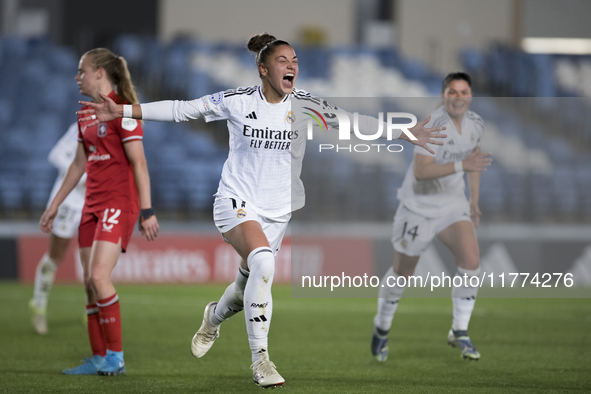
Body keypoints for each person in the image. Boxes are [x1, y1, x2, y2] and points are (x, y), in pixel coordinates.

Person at [77, 33, 445, 388]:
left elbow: (352, 123)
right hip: (235, 201)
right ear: (263, 69)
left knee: (244, 286)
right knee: (264, 264)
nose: (292, 66)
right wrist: (124, 109)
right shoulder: (237, 100)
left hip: (278, 212)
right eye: (282, 61)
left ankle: (213, 318)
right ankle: (261, 360)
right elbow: (182, 110)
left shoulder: (304, 104)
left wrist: (405, 132)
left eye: (295, 61)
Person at [40, 48, 159, 376]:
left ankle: (116, 357)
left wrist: (147, 210)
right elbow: (79, 164)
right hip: (91, 204)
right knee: (89, 285)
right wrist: (54, 205)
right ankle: (98, 357)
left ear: (100, 74)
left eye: (82, 71)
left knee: (98, 276)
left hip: (118, 203)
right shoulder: (85, 114)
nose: (77, 77)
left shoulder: (123, 109)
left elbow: (139, 161)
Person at [371, 72, 492, 362]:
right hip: (419, 207)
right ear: (443, 95)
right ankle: (382, 327)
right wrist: (462, 163)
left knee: (471, 261)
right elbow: (422, 171)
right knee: (402, 273)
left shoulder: (476, 124)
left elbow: (473, 161)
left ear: (470, 96)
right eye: (453, 92)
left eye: (464, 92)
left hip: (452, 204)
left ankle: (459, 331)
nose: (458, 97)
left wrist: (474, 201)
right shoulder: (435, 125)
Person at [30, 122, 86, 335]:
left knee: (92, 261)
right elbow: (56, 155)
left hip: (94, 202)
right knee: (56, 256)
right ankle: (39, 305)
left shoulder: (116, 130)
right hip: (68, 202)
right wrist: (80, 174)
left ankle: (91, 312)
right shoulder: (83, 126)